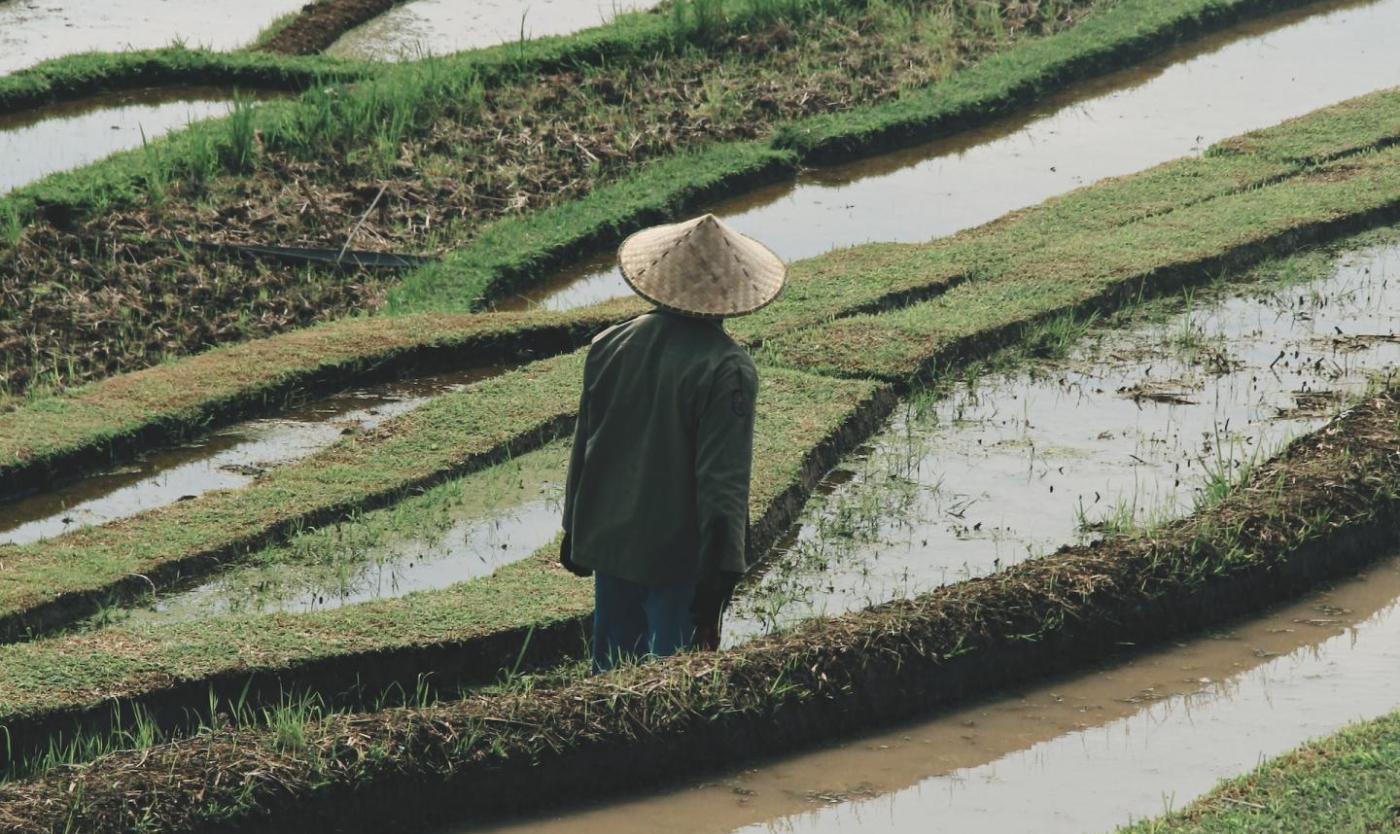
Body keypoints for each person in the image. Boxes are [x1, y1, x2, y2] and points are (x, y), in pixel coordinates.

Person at [559, 213, 787, 673]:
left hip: (612, 544)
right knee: (675, 681)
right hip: (677, 559)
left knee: (611, 678)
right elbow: (722, 484)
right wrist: (719, 577)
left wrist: (573, 531)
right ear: (730, 294)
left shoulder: (610, 344)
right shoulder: (727, 369)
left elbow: (584, 447)